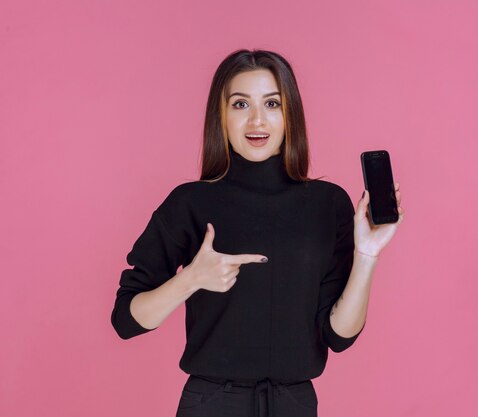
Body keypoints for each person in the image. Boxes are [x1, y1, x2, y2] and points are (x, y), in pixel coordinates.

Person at [111, 49, 404, 417]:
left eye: (272, 104)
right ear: (220, 115)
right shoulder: (191, 202)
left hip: (294, 404)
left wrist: (367, 255)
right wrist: (191, 281)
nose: (256, 120)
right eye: (239, 104)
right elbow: (125, 319)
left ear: (289, 114)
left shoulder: (327, 204)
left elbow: (339, 337)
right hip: (212, 404)